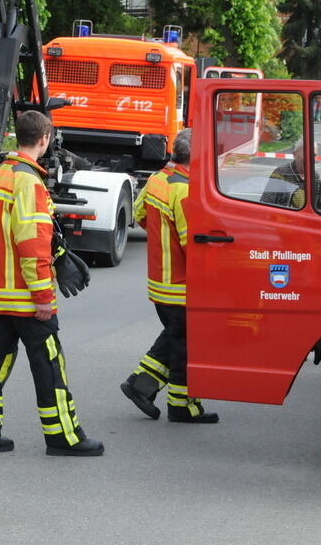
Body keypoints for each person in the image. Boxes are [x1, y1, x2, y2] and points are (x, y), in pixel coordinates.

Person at [0, 110, 104, 457]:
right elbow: (32, 243)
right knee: (49, 366)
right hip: (27, 299)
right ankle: (63, 437)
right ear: (44, 139)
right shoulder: (28, 182)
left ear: (18, 136)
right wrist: (43, 295)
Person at [119, 129, 219, 423]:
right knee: (187, 346)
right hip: (182, 285)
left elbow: (140, 215)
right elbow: (195, 246)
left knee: (176, 337)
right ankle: (182, 406)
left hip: (160, 283)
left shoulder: (158, 179)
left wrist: (164, 241)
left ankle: (140, 385)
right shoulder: (185, 189)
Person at [260, 140, 321, 209]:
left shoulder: (314, 176)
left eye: (314, 155)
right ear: (294, 155)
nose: (312, 159)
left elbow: (320, 204)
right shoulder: (281, 173)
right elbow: (265, 204)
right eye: (307, 154)